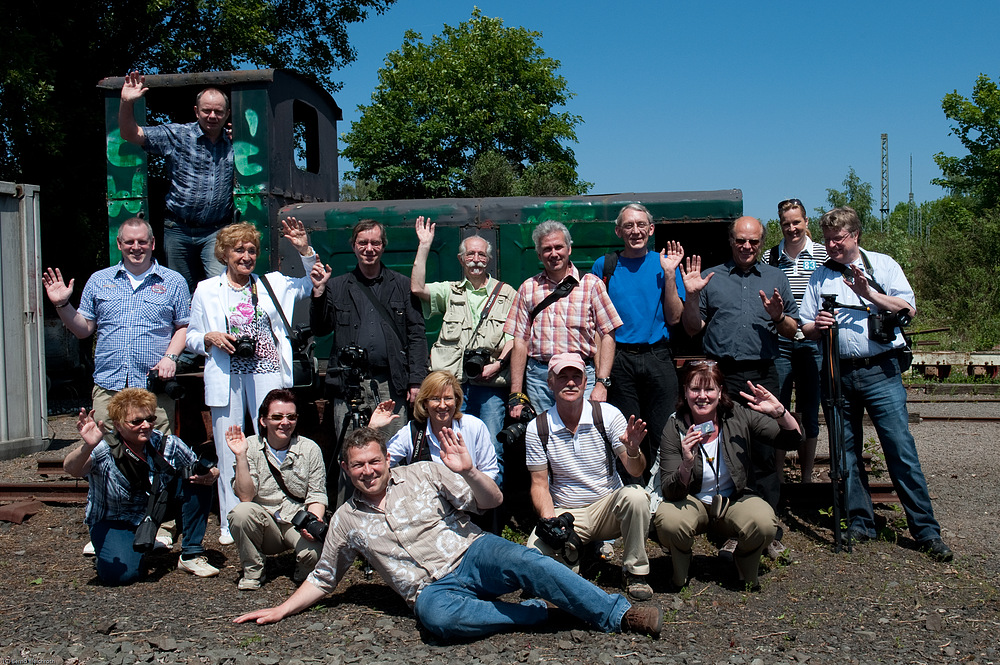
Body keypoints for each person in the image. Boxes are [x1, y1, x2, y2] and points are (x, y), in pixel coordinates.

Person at [233, 426, 663, 640]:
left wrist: (470, 470)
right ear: (345, 469)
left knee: (527, 560)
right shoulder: (345, 520)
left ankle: (618, 614)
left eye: (374, 462)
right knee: (436, 620)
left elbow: (491, 502)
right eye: (358, 465)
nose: (368, 471)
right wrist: (280, 611)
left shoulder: (422, 472)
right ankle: (537, 615)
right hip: (429, 590)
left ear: (387, 460)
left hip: (472, 553)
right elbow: (324, 576)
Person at [799, 206, 952, 562]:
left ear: (855, 236)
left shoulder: (882, 265)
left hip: (881, 371)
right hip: (837, 371)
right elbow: (804, 326)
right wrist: (817, 325)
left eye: (838, 239)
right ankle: (860, 522)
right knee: (845, 451)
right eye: (827, 240)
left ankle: (926, 530)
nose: (831, 245)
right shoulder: (820, 277)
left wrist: (869, 293)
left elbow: (907, 309)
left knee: (899, 449)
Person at [187, 218, 318, 544]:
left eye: (250, 250)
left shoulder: (271, 283)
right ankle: (231, 521)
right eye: (238, 250)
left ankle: (273, 512)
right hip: (227, 374)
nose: (245, 256)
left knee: (272, 439)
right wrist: (209, 337)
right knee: (228, 445)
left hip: (265, 370)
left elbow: (309, 282)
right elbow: (190, 337)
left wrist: (304, 250)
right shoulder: (207, 290)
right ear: (224, 254)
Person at [680, 215, 798, 558]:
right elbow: (691, 328)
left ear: (762, 243)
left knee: (765, 452)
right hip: (722, 377)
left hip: (762, 374)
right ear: (731, 242)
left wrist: (778, 316)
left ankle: (769, 528)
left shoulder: (776, 277)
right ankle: (733, 526)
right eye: (741, 241)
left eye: (754, 242)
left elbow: (793, 330)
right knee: (727, 450)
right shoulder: (711, 277)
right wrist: (691, 297)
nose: (747, 247)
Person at [653, 362, 802, 590]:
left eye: (709, 389)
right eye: (695, 389)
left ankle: (741, 563)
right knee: (669, 521)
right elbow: (670, 490)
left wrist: (780, 413)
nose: (702, 396)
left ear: (720, 392)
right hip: (692, 502)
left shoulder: (737, 416)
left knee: (763, 522)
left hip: (732, 500)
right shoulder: (675, 426)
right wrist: (687, 462)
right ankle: (681, 567)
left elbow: (791, 440)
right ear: (685, 392)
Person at [43, 217, 189, 435]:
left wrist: (170, 358)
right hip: (109, 385)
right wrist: (62, 304)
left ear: (153, 243)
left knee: (157, 452)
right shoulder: (98, 280)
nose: (136, 247)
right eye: (129, 242)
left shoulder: (173, 281)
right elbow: (83, 330)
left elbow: (184, 327)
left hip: (154, 386)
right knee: (105, 450)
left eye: (142, 241)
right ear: (119, 244)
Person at [524, 353, 653, 601]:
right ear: (550, 382)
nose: (570, 383)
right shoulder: (537, 428)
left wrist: (634, 451)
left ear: (586, 383)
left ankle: (635, 572)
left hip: (608, 506)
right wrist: (551, 523)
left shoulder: (607, 414)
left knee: (636, 496)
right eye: (563, 377)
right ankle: (574, 555)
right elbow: (539, 485)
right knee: (534, 557)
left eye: (576, 377)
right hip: (567, 512)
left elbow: (635, 471)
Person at [63, 388, 220, 585]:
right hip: (116, 519)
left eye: (150, 419)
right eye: (136, 421)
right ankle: (124, 547)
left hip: (156, 510)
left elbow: (201, 466)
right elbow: (72, 469)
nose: (145, 425)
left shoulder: (167, 443)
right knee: (120, 576)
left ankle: (191, 554)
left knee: (197, 477)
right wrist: (87, 446)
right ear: (119, 425)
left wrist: (212, 474)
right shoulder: (104, 447)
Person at [411, 216, 516, 483]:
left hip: (489, 388)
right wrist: (424, 246)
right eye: (470, 254)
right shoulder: (450, 292)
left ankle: (489, 510)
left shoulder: (507, 294)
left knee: (491, 447)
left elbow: (518, 336)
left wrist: (499, 364)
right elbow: (417, 287)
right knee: (450, 446)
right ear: (461, 259)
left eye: (482, 254)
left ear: (489, 259)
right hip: (451, 388)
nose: (476, 259)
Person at [310, 219, 428, 446]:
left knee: (392, 450)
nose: (369, 249)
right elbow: (320, 329)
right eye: (363, 243)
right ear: (353, 246)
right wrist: (318, 294)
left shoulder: (403, 285)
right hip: (348, 385)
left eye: (375, 243)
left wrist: (417, 381)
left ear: (383, 246)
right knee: (351, 451)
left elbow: (417, 334)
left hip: (390, 384)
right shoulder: (336, 286)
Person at [591, 204, 686, 479]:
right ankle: (634, 495)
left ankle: (665, 495)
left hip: (658, 356)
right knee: (626, 434)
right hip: (620, 359)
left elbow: (675, 317)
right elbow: (597, 324)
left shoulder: (664, 264)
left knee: (664, 431)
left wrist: (670, 275)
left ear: (651, 229)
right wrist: (601, 375)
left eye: (641, 225)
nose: (636, 231)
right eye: (629, 226)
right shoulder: (604, 266)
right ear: (619, 231)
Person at [118, 71, 235, 293]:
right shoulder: (178, 135)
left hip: (215, 230)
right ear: (196, 111)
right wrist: (126, 102)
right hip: (178, 228)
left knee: (220, 287)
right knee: (181, 289)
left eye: (218, 112)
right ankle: (185, 329)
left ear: (227, 113)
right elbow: (130, 134)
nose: (212, 116)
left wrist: (242, 135)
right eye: (206, 110)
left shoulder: (237, 141)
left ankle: (220, 329)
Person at [504, 221, 622, 417]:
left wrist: (602, 383)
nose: (554, 253)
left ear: (569, 248)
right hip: (540, 379)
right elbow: (520, 341)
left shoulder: (592, 285)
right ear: (539, 255)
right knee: (546, 435)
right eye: (547, 249)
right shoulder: (527, 288)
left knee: (584, 435)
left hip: (581, 375)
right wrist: (516, 394)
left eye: (558, 247)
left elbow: (608, 333)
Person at [225, 389, 327, 590]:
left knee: (314, 555)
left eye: (291, 417)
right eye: (277, 417)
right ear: (263, 420)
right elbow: (245, 496)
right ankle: (253, 570)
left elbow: (317, 493)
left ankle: (303, 568)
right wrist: (241, 456)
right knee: (240, 513)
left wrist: (312, 523)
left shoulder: (310, 449)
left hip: (295, 520)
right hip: (264, 523)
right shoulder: (251, 446)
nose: (285, 422)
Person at [764, 199, 828, 482]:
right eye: (786, 223)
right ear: (780, 225)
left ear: (806, 222)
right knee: (779, 409)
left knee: (809, 410)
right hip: (780, 344)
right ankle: (777, 478)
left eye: (796, 222)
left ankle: (805, 478)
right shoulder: (770, 257)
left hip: (812, 343)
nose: (792, 228)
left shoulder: (824, 254)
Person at [369, 371, 499, 482]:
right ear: (425, 402)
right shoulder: (412, 431)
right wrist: (372, 428)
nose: (442, 405)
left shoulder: (474, 426)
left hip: (467, 503)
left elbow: (490, 472)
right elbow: (379, 465)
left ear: (457, 401)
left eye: (448, 398)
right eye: (435, 399)